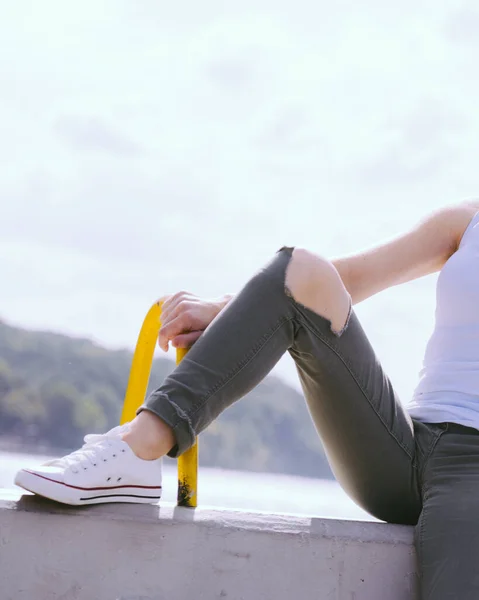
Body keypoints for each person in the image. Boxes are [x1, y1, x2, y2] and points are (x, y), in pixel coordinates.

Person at [14, 200, 479, 598]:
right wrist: (229, 308)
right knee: (303, 269)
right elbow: (350, 277)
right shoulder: (465, 219)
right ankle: (137, 447)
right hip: (402, 449)